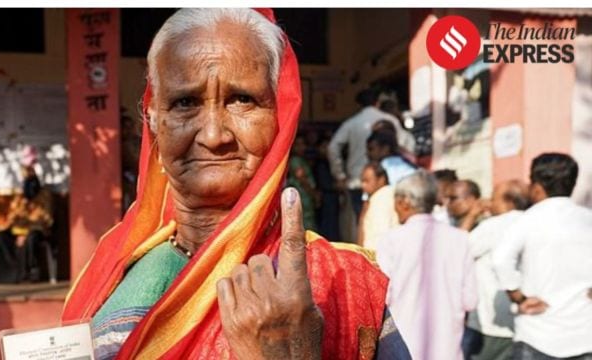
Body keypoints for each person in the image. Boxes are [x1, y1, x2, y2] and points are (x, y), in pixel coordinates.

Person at [62, 9, 410, 360]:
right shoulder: (110, 275)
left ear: (281, 117)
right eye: (185, 102)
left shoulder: (342, 282)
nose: (214, 136)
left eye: (242, 99)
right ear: (152, 122)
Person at [493, 153, 592, 359]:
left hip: (537, 333)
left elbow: (501, 259)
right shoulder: (587, 218)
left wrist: (518, 297)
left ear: (537, 187)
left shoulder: (528, 219)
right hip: (584, 334)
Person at [376, 170, 477, 360]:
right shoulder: (460, 239)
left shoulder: (391, 240)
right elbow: (470, 300)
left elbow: (382, 297)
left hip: (403, 351)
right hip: (448, 352)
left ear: (403, 202)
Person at [464, 180, 530, 360]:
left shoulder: (493, 226)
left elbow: (457, 252)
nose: (489, 203)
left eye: (493, 199)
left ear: (508, 201)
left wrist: (471, 215)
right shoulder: (535, 221)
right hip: (528, 323)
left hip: (493, 324)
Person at [327, 88, 403, 217]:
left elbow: (332, 147)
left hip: (358, 180)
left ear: (359, 105)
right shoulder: (391, 121)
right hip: (388, 179)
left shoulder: (351, 123)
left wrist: (339, 175)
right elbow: (404, 144)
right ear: (378, 102)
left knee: (362, 219)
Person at [0, 147, 54, 284]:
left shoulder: (44, 196)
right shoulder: (20, 198)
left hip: (36, 231)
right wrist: (10, 228)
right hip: (18, 230)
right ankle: (8, 277)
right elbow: (12, 217)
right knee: (1, 237)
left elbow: (45, 220)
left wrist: (25, 232)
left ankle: (30, 273)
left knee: (32, 237)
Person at [358, 161, 398, 250]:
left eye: (367, 181)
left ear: (381, 180)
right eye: (362, 181)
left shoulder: (381, 199)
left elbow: (379, 236)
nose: (363, 185)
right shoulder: (387, 195)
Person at [287, 134, 319, 231]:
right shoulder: (295, 161)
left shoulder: (301, 160)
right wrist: (313, 194)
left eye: (303, 144)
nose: (301, 147)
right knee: (305, 223)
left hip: (305, 196)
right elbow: (302, 178)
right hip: (302, 196)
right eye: (298, 145)